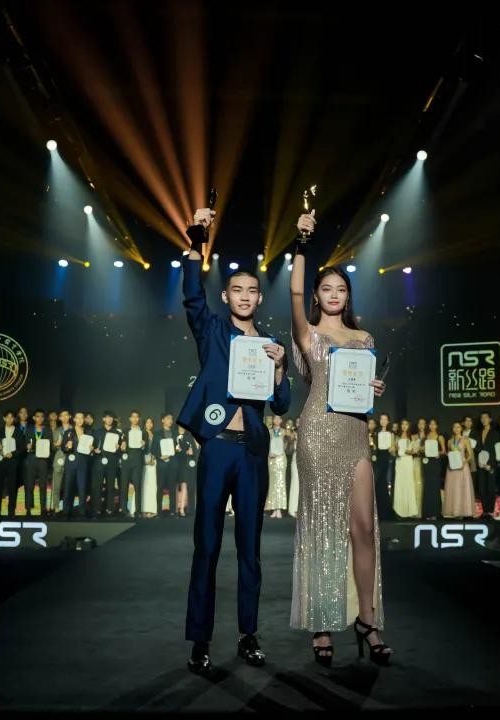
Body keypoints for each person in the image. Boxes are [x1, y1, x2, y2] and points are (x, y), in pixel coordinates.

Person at [179, 205, 291, 673]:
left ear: (260, 299)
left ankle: (248, 634)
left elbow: (281, 405)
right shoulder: (212, 331)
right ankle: (200, 640)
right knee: (207, 546)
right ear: (226, 296)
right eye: (237, 290)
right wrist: (196, 243)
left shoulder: (270, 344)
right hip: (218, 447)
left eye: (252, 291)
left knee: (250, 548)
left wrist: (280, 367)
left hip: (252, 455)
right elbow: (191, 295)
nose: (245, 296)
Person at [289, 209, 392, 667]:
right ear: (316, 295)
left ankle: (367, 620)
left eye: (341, 289)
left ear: (348, 296)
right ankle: (322, 623)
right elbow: (293, 291)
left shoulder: (363, 337)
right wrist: (301, 244)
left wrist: (373, 388)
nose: (334, 295)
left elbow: (361, 391)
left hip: (355, 434)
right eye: (326, 289)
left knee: (363, 528)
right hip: (317, 433)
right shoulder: (308, 333)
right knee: (321, 530)